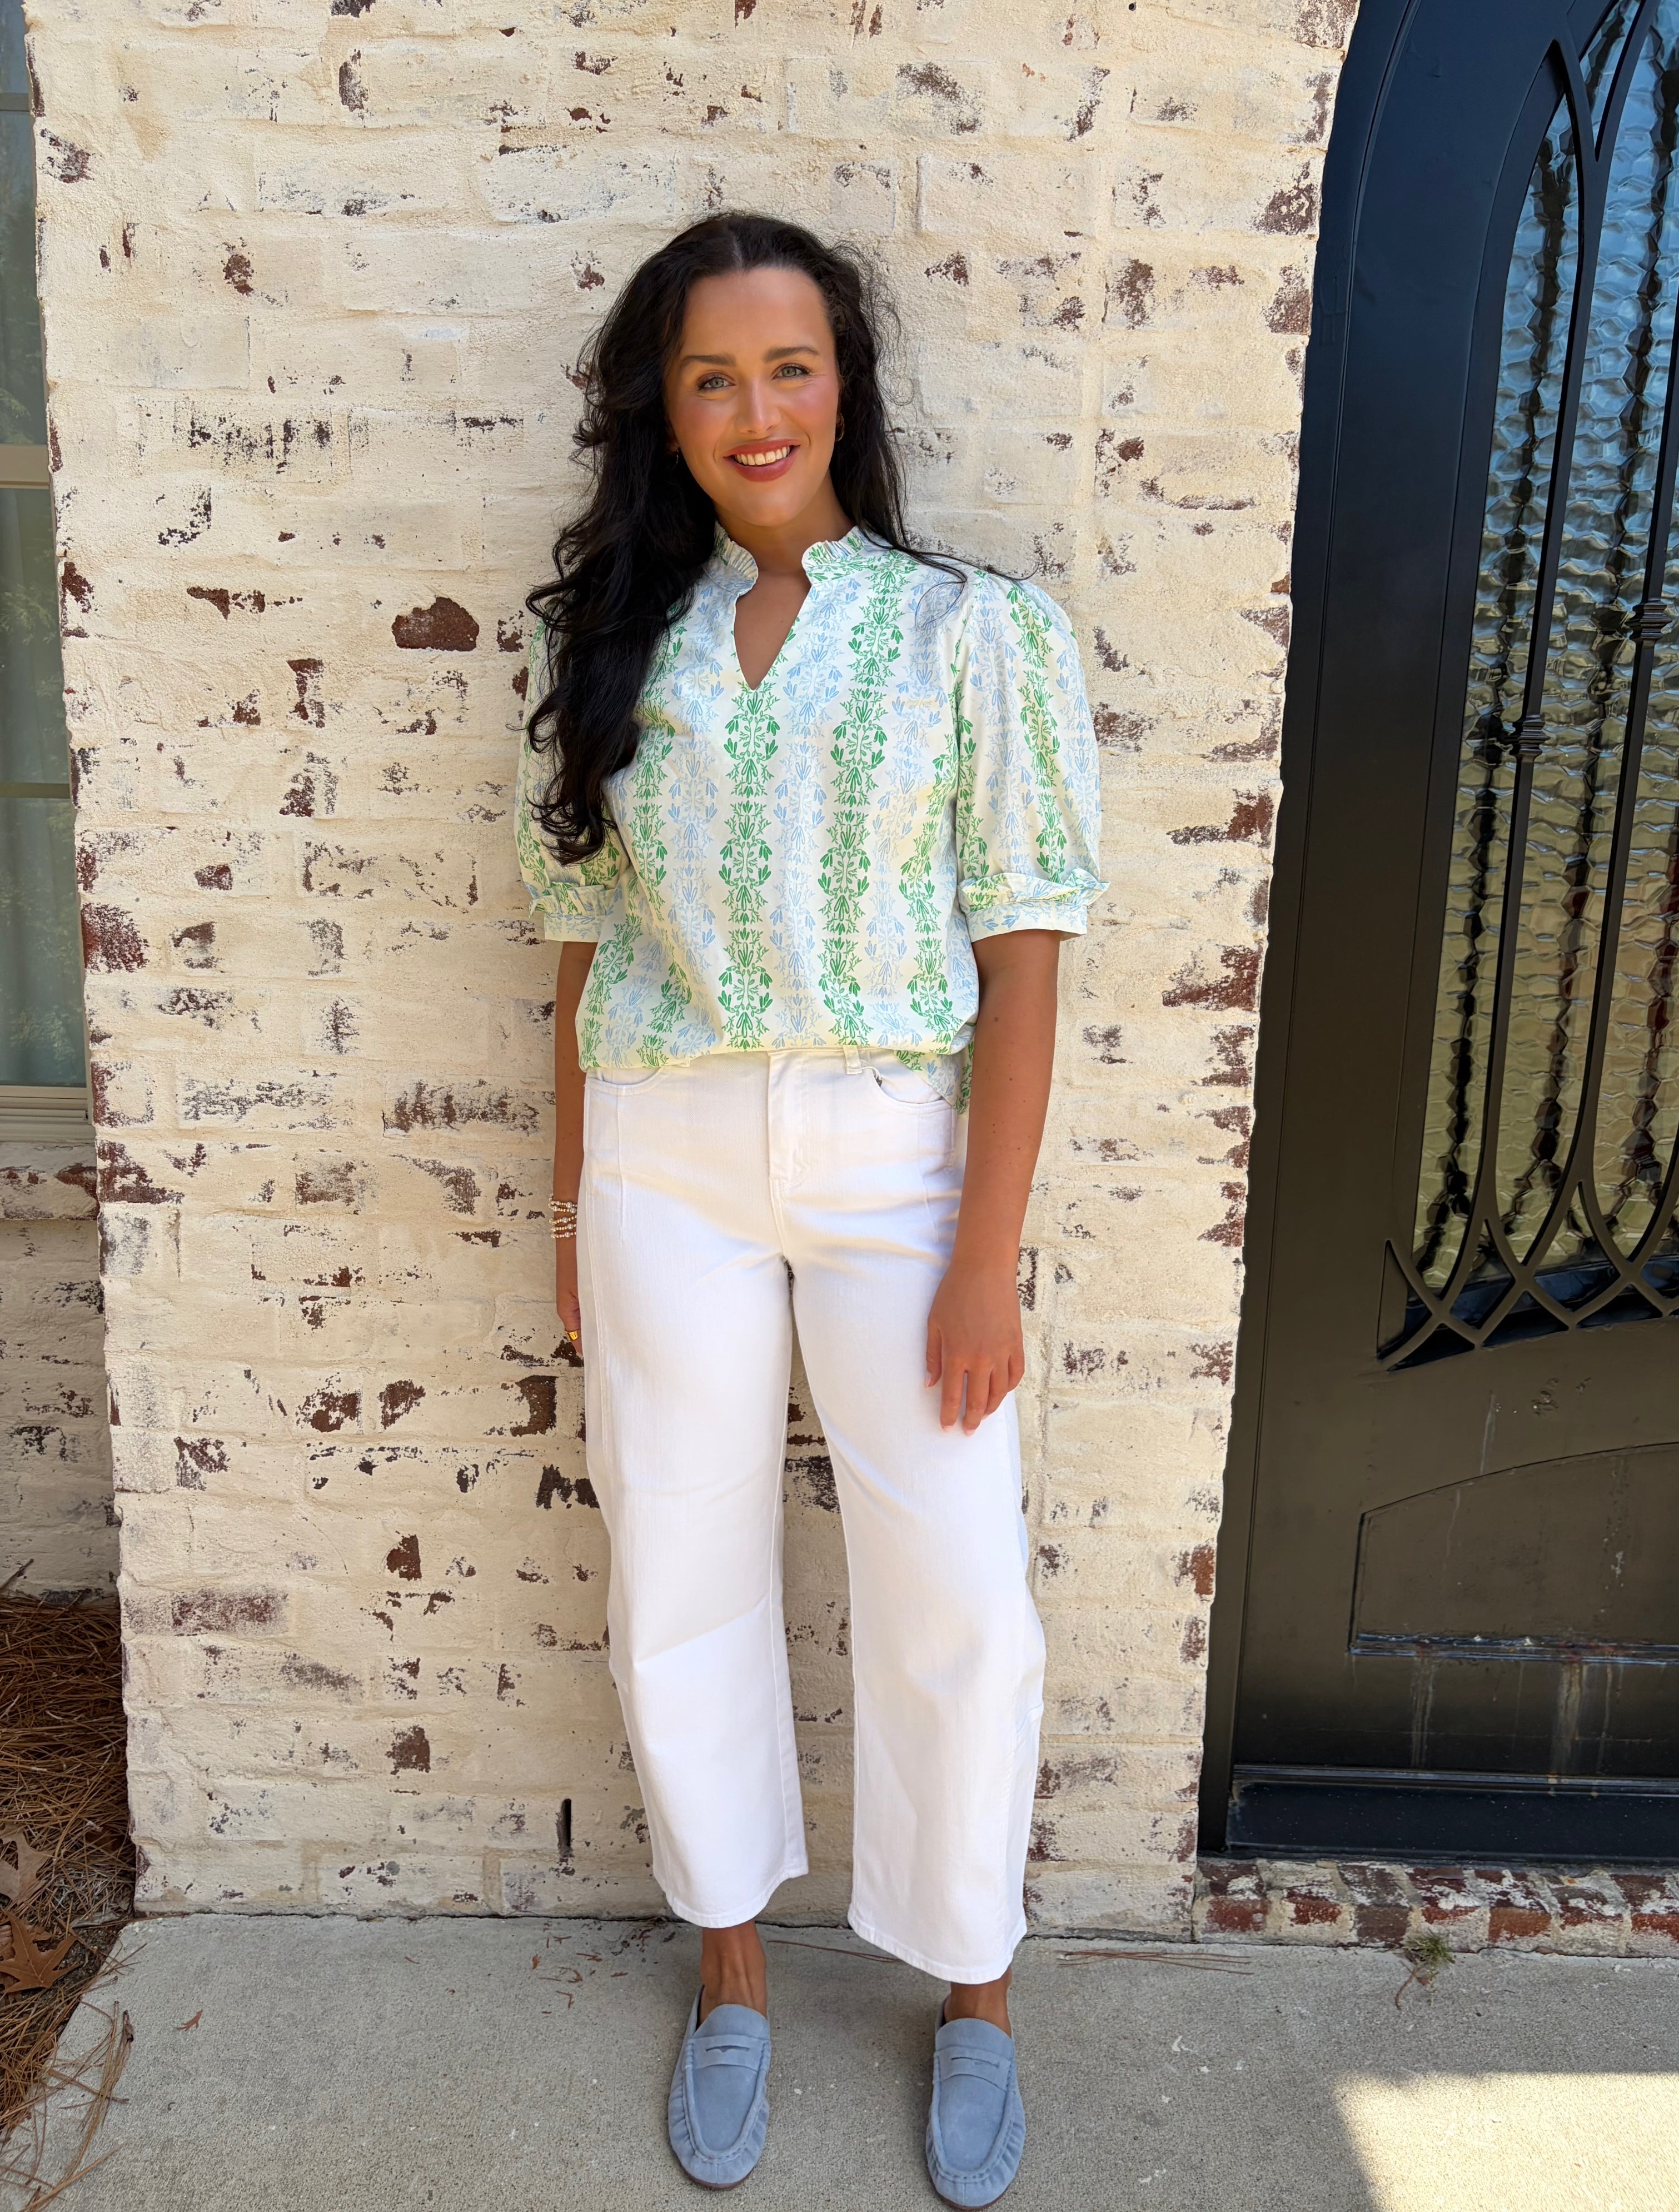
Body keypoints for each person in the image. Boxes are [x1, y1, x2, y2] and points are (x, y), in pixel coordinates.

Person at [515, 211, 1103, 2206]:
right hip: (666, 1155)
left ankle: (975, 1990)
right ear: (661, 412)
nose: (757, 410)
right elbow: (585, 955)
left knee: (959, 1590)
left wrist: (983, 1254)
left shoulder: (974, 633)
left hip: (891, 1159)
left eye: (790, 367)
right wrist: (572, 1200)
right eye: (711, 376)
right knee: (680, 1565)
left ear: (846, 383)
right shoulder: (621, 649)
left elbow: (1025, 958)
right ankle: (736, 1968)